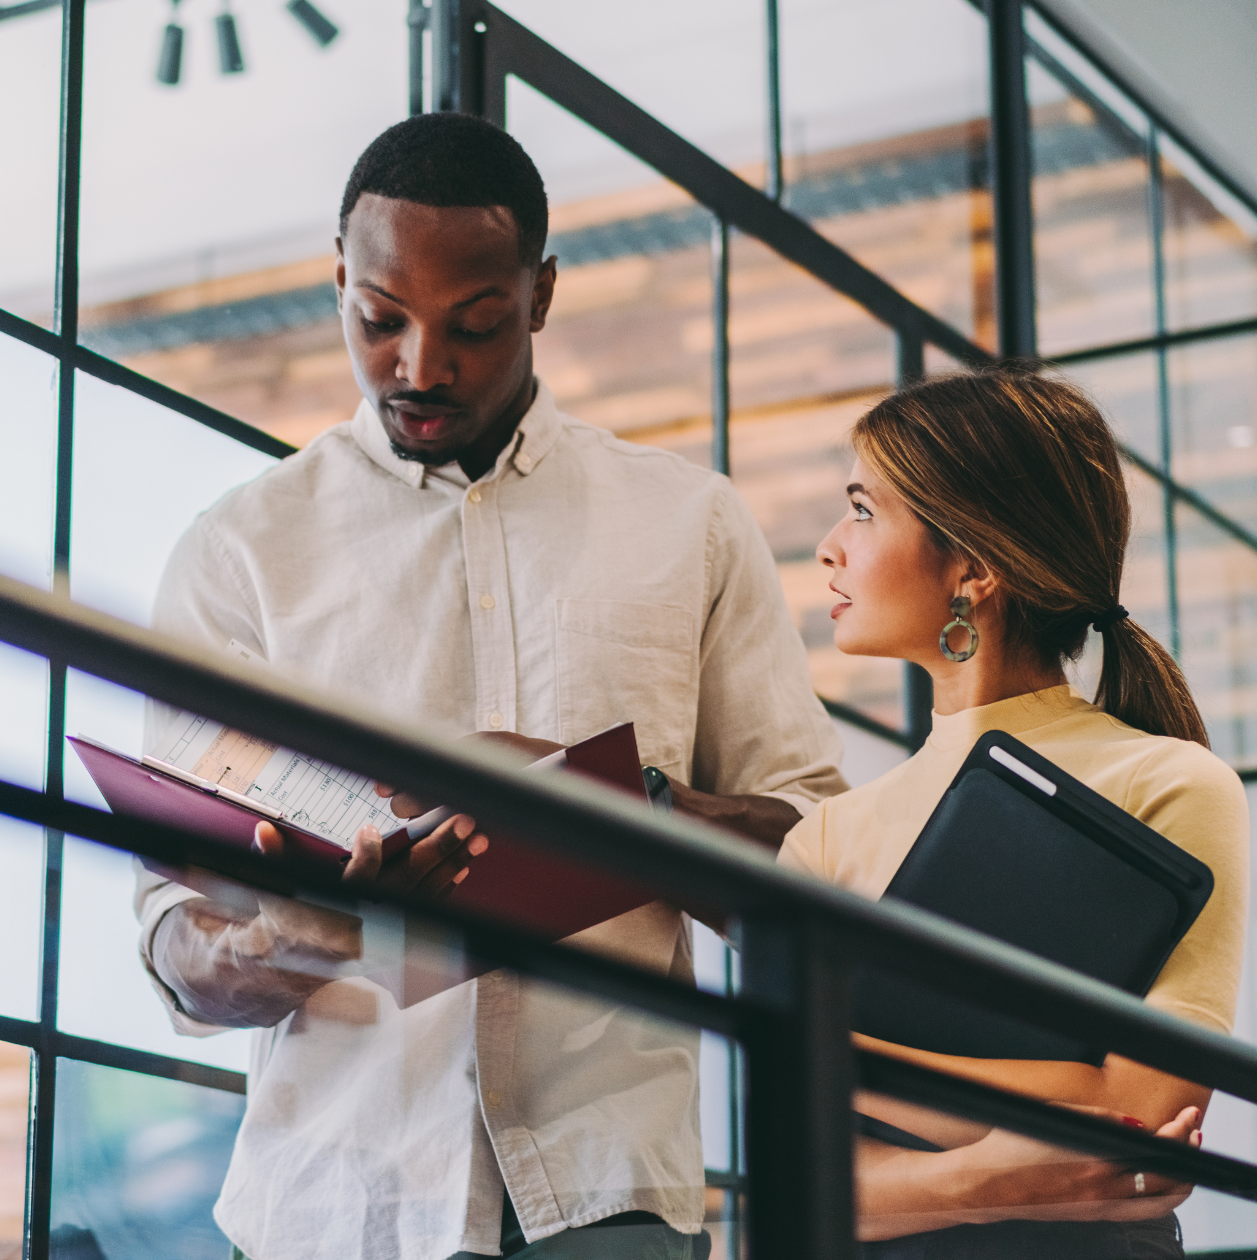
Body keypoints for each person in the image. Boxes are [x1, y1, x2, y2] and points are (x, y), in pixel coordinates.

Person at [132, 112, 848, 1260]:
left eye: (473, 324)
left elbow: (816, 864)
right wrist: (304, 935)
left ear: (541, 295)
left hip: (605, 1192)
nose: (419, 366)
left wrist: (631, 812)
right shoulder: (239, 553)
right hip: (334, 1205)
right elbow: (176, 947)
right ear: (336, 286)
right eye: (377, 321)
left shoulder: (687, 525)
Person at [781, 365, 1249, 1257]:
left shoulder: (1170, 784)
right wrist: (994, 1169)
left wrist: (846, 1060)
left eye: (865, 510)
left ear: (976, 567)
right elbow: (806, 1185)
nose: (830, 548)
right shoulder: (823, 837)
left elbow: (1145, 1119)